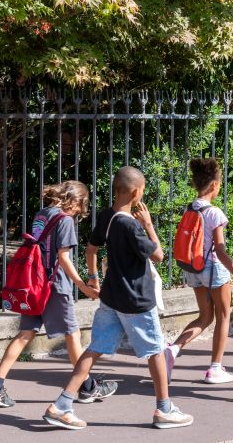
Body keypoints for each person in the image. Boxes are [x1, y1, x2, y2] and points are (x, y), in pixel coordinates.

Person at [42, 167, 192, 430]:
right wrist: (148, 225)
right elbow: (158, 255)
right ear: (136, 192)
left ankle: (62, 404)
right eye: (142, 190)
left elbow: (91, 249)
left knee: (94, 348)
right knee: (156, 351)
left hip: (111, 298)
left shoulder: (107, 217)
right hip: (136, 300)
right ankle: (164, 409)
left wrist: (92, 277)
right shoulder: (132, 225)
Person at [0, 181, 116, 408]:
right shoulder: (65, 220)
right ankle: (88, 387)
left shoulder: (41, 214)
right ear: (75, 202)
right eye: (81, 207)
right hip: (54, 286)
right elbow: (63, 258)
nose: (80, 212)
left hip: (34, 284)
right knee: (73, 334)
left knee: (25, 334)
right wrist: (82, 285)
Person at [165, 158, 233, 385]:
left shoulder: (190, 207)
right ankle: (215, 368)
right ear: (214, 185)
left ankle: (173, 350)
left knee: (205, 316)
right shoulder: (215, 213)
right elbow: (221, 251)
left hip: (193, 268)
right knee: (223, 317)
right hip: (213, 268)